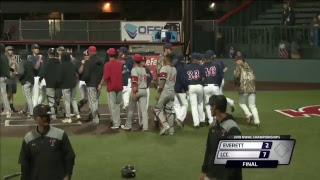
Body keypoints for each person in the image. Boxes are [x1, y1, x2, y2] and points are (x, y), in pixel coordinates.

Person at [19, 104, 76, 180]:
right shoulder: (28, 138)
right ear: (34, 117)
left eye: (47, 115)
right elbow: (24, 163)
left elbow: (69, 156)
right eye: (42, 116)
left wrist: (68, 175)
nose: (45, 118)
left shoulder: (60, 134)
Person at [199, 95, 242, 180]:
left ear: (215, 107)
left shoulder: (232, 128)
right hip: (211, 174)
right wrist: (203, 171)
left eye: (211, 106)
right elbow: (209, 150)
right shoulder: (213, 126)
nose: (210, 108)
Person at [121, 54, 148, 131]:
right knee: (144, 110)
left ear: (134, 60)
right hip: (144, 90)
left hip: (137, 90)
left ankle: (128, 125)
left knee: (131, 109)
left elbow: (135, 82)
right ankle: (145, 127)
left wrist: (133, 92)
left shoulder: (134, 69)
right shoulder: (143, 69)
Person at [153, 53, 177, 136]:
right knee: (169, 110)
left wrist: (159, 93)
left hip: (165, 91)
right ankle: (171, 130)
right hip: (172, 91)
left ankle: (165, 125)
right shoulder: (174, 69)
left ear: (167, 58)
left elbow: (162, 82)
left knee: (157, 108)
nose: (162, 58)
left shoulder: (164, 68)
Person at [98, 48, 123, 128]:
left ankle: (116, 123)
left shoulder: (107, 64)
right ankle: (118, 121)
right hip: (119, 87)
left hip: (112, 87)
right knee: (117, 105)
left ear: (108, 54)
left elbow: (105, 77)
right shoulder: (120, 64)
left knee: (113, 106)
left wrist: (100, 85)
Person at [233, 56, 260, 127]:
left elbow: (236, 76)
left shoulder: (238, 67)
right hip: (252, 89)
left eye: (237, 60)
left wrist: (236, 83)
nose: (236, 62)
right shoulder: (249, 67)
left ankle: (248, 114)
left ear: (241, 60)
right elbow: (254, 76)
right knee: (253, 106)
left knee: (241, 103)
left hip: (243, 88)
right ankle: (257, 122)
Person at [184, 53, 206, 128]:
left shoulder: (186, 67)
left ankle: (196, 123)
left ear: (191, 58)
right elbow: (203, 78)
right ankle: (202, 120)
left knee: (194, 106)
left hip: (191, 86)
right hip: (199, 86)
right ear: (197, 59)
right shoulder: (201, 66)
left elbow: (185, 79)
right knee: (200, 103)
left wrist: (186, 88)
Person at [83, 46, 104, 124]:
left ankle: (95, 119)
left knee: (92, 102)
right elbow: (103, 73)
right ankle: (96, 117)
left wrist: (86, 80)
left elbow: (86, 75)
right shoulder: (100, 61)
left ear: (90, 52)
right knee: (96, 101)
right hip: (99, 84)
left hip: (91, 84)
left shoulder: (88, 62)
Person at [39, 48, 61, 120]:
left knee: (51, 100)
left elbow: (43, 73)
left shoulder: (46, 63)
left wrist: (40, 79)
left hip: (50, 84)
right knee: (57, 99)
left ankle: (53, 115)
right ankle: (60, 112)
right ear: (55, 54)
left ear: (48, 54)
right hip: (59, 84)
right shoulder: (60, 62)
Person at [202, 51, 223, 125]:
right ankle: (217, 120)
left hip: (206, 86)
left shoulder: (203, 66)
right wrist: (219, 85)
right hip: (215, 86)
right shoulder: (217, 65)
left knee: (208, 105)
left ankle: (211, 121)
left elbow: (202, 78)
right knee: (217, 104)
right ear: (211, 57)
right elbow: (220, 77)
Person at [59, 52, 81, 123]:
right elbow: (77, 74)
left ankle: (68, 117)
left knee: (67, 102)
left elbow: (60, 77)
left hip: (65, 86)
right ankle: (77, 115)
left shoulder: (61, 65)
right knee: (73, 99)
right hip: (73, 85)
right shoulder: (72, 64)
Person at [17, 50, 35, 117]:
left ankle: (31, 113)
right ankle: (25, 110)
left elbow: (21, 72)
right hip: (31, 81)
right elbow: (34, 70)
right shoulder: (31, 62)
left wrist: (18, 77)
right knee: (28, 97)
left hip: (26, 82)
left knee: (28, 98)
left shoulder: (22, 63)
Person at [173, 53, 188, 127]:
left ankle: (178, 118)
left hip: (173, 88)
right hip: (181, 88)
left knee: (176, 105)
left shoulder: (173, 67)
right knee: (185, 104)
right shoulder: (182, 68)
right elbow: (184, 80)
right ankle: (179, 119)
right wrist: (187, 89)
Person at [118, 47, 134, 112]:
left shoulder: (129, 59)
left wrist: (124, 62)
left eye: (120, 51)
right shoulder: (120, 59)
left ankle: (127, 106)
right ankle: (125, 105)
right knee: (123, 93)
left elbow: (128, 68)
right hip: (123, 79)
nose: (119, 52)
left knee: (127, 94)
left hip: (129, 79)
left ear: (123, 52)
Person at [5, 46, 18, 112]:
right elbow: (5, 67)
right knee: (8, 92)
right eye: (9, 50)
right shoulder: (5, 58)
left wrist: (16, 68)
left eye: (12, 50)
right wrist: (11, 63)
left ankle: (11, 105)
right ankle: (5, 105)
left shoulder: (13, 58)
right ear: (6, 51)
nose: (11, 51)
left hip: (13, 77)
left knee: (12, 92)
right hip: (8, 77)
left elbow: (16, 67)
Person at [0, 44, 12, 117]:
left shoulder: (1, 57)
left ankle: (8, 109)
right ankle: (5, 109)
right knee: (3, 94)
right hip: (5, 77)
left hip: (1, 77)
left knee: (3, 94)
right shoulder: (5, 57)